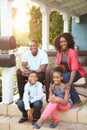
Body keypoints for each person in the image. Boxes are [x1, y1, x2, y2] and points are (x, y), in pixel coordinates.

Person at [52, 32, 86, 106]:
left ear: (68, 42)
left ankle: (77, 101)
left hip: (77, 72)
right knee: (54, 75)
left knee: (64, 79)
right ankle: (55, 96)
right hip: (66, 72)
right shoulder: (59, 52)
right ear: (58, 43)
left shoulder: (72, 52)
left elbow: (74, 69)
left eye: (65, 41)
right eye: (61, 42)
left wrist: (70, 82)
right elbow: (57, 65)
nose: (63, 43)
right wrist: (54, 73)